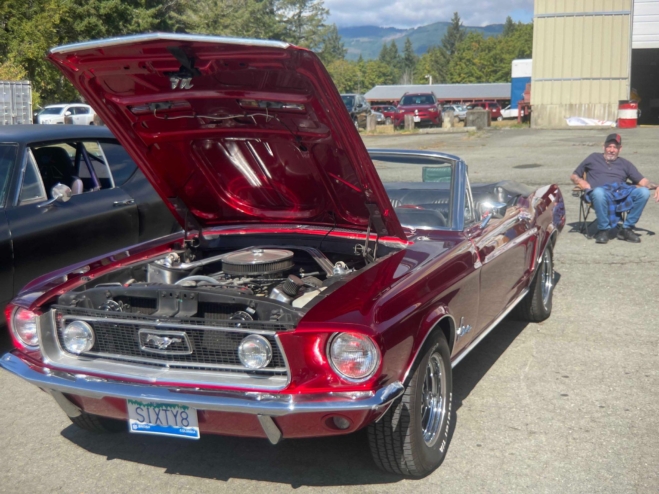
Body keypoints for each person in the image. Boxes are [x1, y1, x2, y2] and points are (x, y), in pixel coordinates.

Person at [571, 133, 657, 244]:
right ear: (604, 147)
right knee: (598, 192)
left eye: (615, 147)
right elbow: (574, 175)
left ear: (620, 149)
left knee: (644, 192)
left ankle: (626, 229)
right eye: (609, 146)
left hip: (620, 194)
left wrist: (657, 186)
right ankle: (603, 230)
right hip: (599, 194)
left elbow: (644, 182)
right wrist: (582, 182)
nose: (611, 150)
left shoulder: (625, 164)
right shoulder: (593, 158)